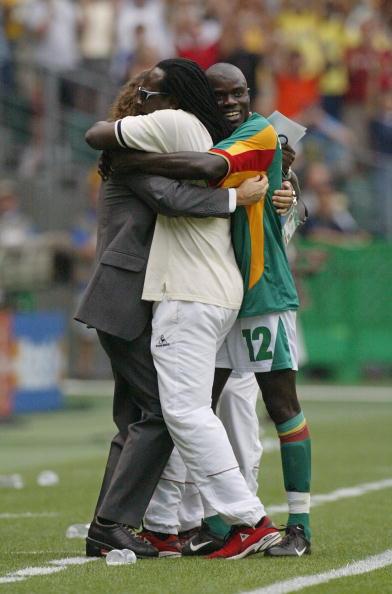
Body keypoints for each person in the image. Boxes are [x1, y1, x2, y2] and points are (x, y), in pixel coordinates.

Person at [85, 58, 287, 561]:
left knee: (172, 411)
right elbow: (187, 178)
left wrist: (250, 197)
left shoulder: (177, 126)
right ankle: (145, 525)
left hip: (176, 292)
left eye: (150, 95)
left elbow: (181, 182)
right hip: (165, 293)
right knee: (152, 413)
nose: (230, 103)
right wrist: (254, 194)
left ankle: (229, 520)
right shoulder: (217, 133)